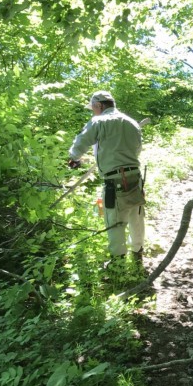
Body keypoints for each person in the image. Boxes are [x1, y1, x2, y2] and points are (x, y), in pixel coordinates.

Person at [68, 90, 146, 271]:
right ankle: (137, 254)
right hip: (135, 176)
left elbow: (81, 142)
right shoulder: (132, 122)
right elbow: (137, 149)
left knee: (114, 220)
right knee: (136, 216)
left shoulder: (99, 121)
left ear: (100, 106)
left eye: (93, 108)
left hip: (115, 180)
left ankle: (118, 263)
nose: (93, 112)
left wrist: (73, 157)